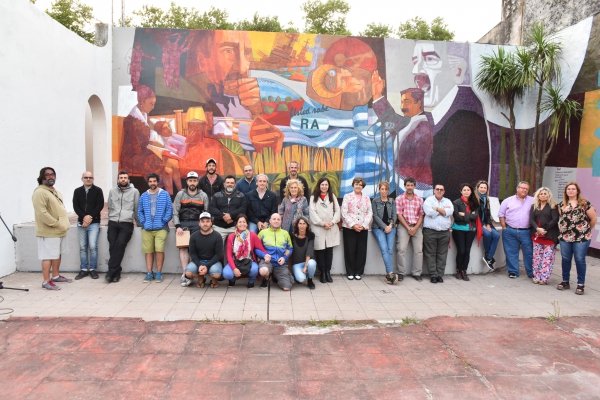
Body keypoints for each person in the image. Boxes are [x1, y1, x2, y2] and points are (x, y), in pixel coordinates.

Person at [32, 167, 72, 290]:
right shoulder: (40, 192)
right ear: (42, 177)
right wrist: (56, 223)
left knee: (57, 254)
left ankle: (55, 276)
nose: (51, 177)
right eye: (47, 175)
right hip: (49, 230)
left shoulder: (54, 191)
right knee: (48, 256)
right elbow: (41, 213)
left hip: (59, 230)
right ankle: (46, 281)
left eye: (52, 174)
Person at [557, 182, 597, 295]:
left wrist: (586, 230)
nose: (570, 191)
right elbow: (563, 219)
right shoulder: (561, 205)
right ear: (565, 191)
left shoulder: (585, 204)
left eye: (573, 189)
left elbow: (593, 219)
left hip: (582, 237)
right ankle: (565, 281)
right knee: (565, 259)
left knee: (579, 259)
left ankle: (580, 284)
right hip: (565, 237)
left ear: (577, 191)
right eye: (568, 189)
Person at [173, 171, 209, 287]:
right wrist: (177, 226)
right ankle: (185, 273)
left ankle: (194, 272)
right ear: (187, 182)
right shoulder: (180, 194)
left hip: (197, 224)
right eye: (190, 180)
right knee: (183, 248)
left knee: (196, 249)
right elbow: (175, 212)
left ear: (197, 182)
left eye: (194, 180)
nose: (192, 183)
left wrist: (204, 226)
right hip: (183, 224)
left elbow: (206, 213)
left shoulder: (203, 195)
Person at [138, 173, 173, 283]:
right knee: (148, 251)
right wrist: (144, 222)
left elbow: (169, 210)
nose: (152, 183)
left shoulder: (165, 194)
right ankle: (149, 272)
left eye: (154, 181)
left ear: (158, 182)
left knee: (159, 249)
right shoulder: (143, 195)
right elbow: (140, 211)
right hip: (147, 228)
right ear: (148, 183)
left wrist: (163, 221)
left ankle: (158, 272)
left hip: (161, 228)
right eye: (150, 181)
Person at [106, 170, 140, 283]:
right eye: (121, 178)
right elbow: (110, 206)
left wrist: (139, 224)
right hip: (113, 221)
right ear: (118, 180)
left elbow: (136, 207)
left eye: (125, 178)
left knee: (120, 244)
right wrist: (109, 219)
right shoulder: (112, 191)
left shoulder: (135, 191)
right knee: (112, 246)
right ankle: (116, 272)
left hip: (127, 223)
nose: (123, 180)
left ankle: (111, 271)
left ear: (128, 180)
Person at [498, 181, 534, 279]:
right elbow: (501, 214)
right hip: (510, 230)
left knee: (529, 252)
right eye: (523, 188)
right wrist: (504, 228)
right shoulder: (507, 201)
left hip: (527, 231)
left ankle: (531, 272)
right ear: (517, 188)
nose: (524, 190)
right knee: (511, 251)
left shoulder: (533, 200)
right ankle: (513, 271)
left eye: (527, 189)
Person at [72, 171, 104, 280]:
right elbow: (75, 206)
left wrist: (90, 217)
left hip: (94, 222)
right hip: (81, 223)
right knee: (82, 247)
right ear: (82, 179)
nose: (88, 179)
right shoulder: (77, 191)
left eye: (90, 177)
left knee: (93, 246)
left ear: (93, 179)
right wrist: (84, 217)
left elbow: (99, 205)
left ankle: (93, 269)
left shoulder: (98, 191)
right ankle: (84, 269)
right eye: (86, 177)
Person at [222, 214, 268, 289]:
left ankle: (251, 282)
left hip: (248, 260)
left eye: (244, 222)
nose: (242, 224)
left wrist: (266, 255)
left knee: (255, 269)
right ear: (236, 224)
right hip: (235, 261)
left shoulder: (252, 235)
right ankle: (232, 280)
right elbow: (229, 255)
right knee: (226, 273)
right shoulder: (231, 237)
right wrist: (234, 268)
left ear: (247, 224)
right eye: (240, 222)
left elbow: (261, 248)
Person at [309, 176, 341, 283]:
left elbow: (337, 211)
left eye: (326, 185)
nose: (324, 186)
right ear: (319, 186)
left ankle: (328, 272)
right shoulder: (313, 197)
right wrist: (323, 223)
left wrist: (332, 222)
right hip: (319, 228)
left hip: (331, 227)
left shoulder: (332, 196)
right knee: (320, 250)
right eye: (322, 184)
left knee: (329, 251)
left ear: (328, 186)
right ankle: (322, 272)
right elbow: (312, 213)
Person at [341, 177, 373, 280]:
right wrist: (353, 225)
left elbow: (369, 212)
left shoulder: (367, 198)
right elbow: (344, 213)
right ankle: (350, 272)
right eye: (356, 184)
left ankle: (358, 272)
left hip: (363, 228)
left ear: (362, 186)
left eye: (360, 184)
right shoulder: (347, 196)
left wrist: (363, 225)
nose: (358, 186)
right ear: (353, 185)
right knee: (350, 250)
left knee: (361, 250)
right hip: (350, 228)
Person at [422, 184, 454, 284]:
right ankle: (433, 275)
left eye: (441, 190)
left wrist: (436, 209)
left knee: (442, 254)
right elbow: (429, 212)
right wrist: (444, 211)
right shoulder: (428, 200)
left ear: (444, 191)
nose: (439, 191)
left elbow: (451, 211)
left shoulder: (448, 201)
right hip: (430, 232)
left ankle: (440, 275)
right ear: (434, 191)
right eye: (437, 189)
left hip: (444, 232)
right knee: (430, 253)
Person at [395, 177, 425, 282]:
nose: (410, 187)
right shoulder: (399, 199)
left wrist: (415, 228)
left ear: (415, 186)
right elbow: (399, 215)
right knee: (401, 249)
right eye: (408, 185)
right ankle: (401, 272)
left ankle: (417, 273)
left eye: (412, 185)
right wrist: (408, 228)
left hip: (417, 227)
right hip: (404, 226)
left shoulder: (420, 199)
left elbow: (421, 215)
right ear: (404, 186)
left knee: (418, 250)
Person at [529, 187, 559, 285]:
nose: (543, 195)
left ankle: (544, 278)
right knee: (537, 257)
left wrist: (545, 230)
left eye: (545, 194)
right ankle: (536, 276)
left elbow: (555, 220)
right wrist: (537, 228)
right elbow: (532, 219)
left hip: (549, 235)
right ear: (538, 195)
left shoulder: (553, 206)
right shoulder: (534, 206)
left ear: (548, 195)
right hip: (537, 235)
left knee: (547, 258)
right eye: (541, 194)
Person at [451, 183, 481, 281]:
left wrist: (464, 214)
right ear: (461, 191)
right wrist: (469, 216)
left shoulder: (475, 202)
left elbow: (475, 216)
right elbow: (457, 217)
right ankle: (458, 270)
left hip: (471, 230)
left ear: (471, 191)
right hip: (458, 229)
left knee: (467, 251)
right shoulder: (456, 202)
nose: (466, 192)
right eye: (464, 190)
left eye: (468, 190)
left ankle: (464, 271)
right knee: (461, 250)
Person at [185, 212, 224, 288]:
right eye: (202, 222)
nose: (205, 224)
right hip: (198, 261)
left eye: (207, 221)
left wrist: (207, 266)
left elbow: (218, 255)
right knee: (188, 273)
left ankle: (214, 281)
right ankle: (201, 278)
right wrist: (199, 265)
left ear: (211, 223)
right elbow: (192, 254)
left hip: (213, 262)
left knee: (216, 274)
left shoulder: (217, 236)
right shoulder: (193, 236)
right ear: (199, 223)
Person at [209, 175, 248, 250]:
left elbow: (243, 209)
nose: (230, 184)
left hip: (234, 227)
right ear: (224, 184)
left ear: (235, 184)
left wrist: (231, 216)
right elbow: (212, 208)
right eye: (228, 183)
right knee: (216, 248)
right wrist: (223, 217)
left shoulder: (241, 195)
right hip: (218, 227)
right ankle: (219, 262)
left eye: (232, 183)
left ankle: (235, 262)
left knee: (237, 248)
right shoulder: (217, 195)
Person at [258, 213, 294, 291]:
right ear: (270, 221)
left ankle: (279, 276)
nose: (276, 221)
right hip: (267, 261)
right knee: (263, 271)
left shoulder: (285, 233)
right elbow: (256, 248)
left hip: (280, 263)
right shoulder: (263, 233)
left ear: (281, 221)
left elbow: (290, 248)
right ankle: (266, 277)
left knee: (287, 287)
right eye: (274, 219)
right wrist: (264, 256)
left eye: (278, 219)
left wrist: (284, 258)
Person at [371, 181, 398, 284]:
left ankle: (389, 275)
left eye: (386, 189)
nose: (384, 191)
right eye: (382, 189)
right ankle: (390, 272)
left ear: (388, 190)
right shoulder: (375, 201)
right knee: (384, 249)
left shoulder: (392, 201)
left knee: (390, 250)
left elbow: (394, 215)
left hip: (391, 228)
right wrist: (384, 226)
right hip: (378, 228)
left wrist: (390, 225)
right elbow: (375, 216)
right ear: (379, 190)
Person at [476, 181, 500, 270]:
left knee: (497, 235)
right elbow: (476, 215)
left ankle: (488, 257)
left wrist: (489, 224)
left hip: (486, 223)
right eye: (481, 187)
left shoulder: (487, 199)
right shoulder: (475, 199)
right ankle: (488, 255)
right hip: (478, 223)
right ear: (477, 188)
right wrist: (483, 225)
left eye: (485, 188)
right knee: (487, 234)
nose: (483, 189)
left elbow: (488, 214)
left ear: (487, 189)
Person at [291, 217, 317, 289]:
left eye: (304, 224)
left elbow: (309, 251)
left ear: (307, 225)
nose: (302, 225)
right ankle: (299, 274)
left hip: (307, 262)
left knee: (312, 263)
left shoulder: (311, 235)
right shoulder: (292, 236)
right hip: (297, 264)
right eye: (300, 224)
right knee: (300, 279)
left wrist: (305, 266)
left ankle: (310, 280)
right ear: (297, 225)